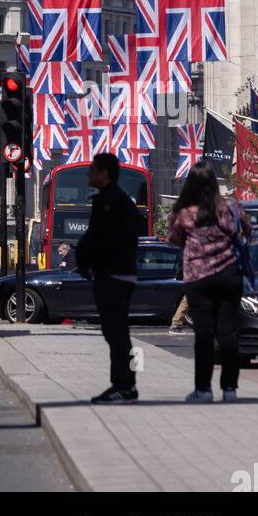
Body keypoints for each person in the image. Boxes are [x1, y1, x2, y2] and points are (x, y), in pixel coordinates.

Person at [168, 159, 251, 403]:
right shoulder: (231, 208)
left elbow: (174, 239)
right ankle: (229, 389)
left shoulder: (184, 213)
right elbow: (246, 230)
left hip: (198, 278)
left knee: (203, 334)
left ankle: (203, 389)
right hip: (229, 275)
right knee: (228, 332)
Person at [75, 152, 141, 405]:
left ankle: (123, 386)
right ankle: (125, 384)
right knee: (115, 331)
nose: (88, 174)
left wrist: (91, 260)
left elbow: (101, 238)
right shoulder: (115, 200)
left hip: (113, 274)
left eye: (92, 169)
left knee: (116, 332)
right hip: (116, 272)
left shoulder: (110, 201)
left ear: (104, 173)